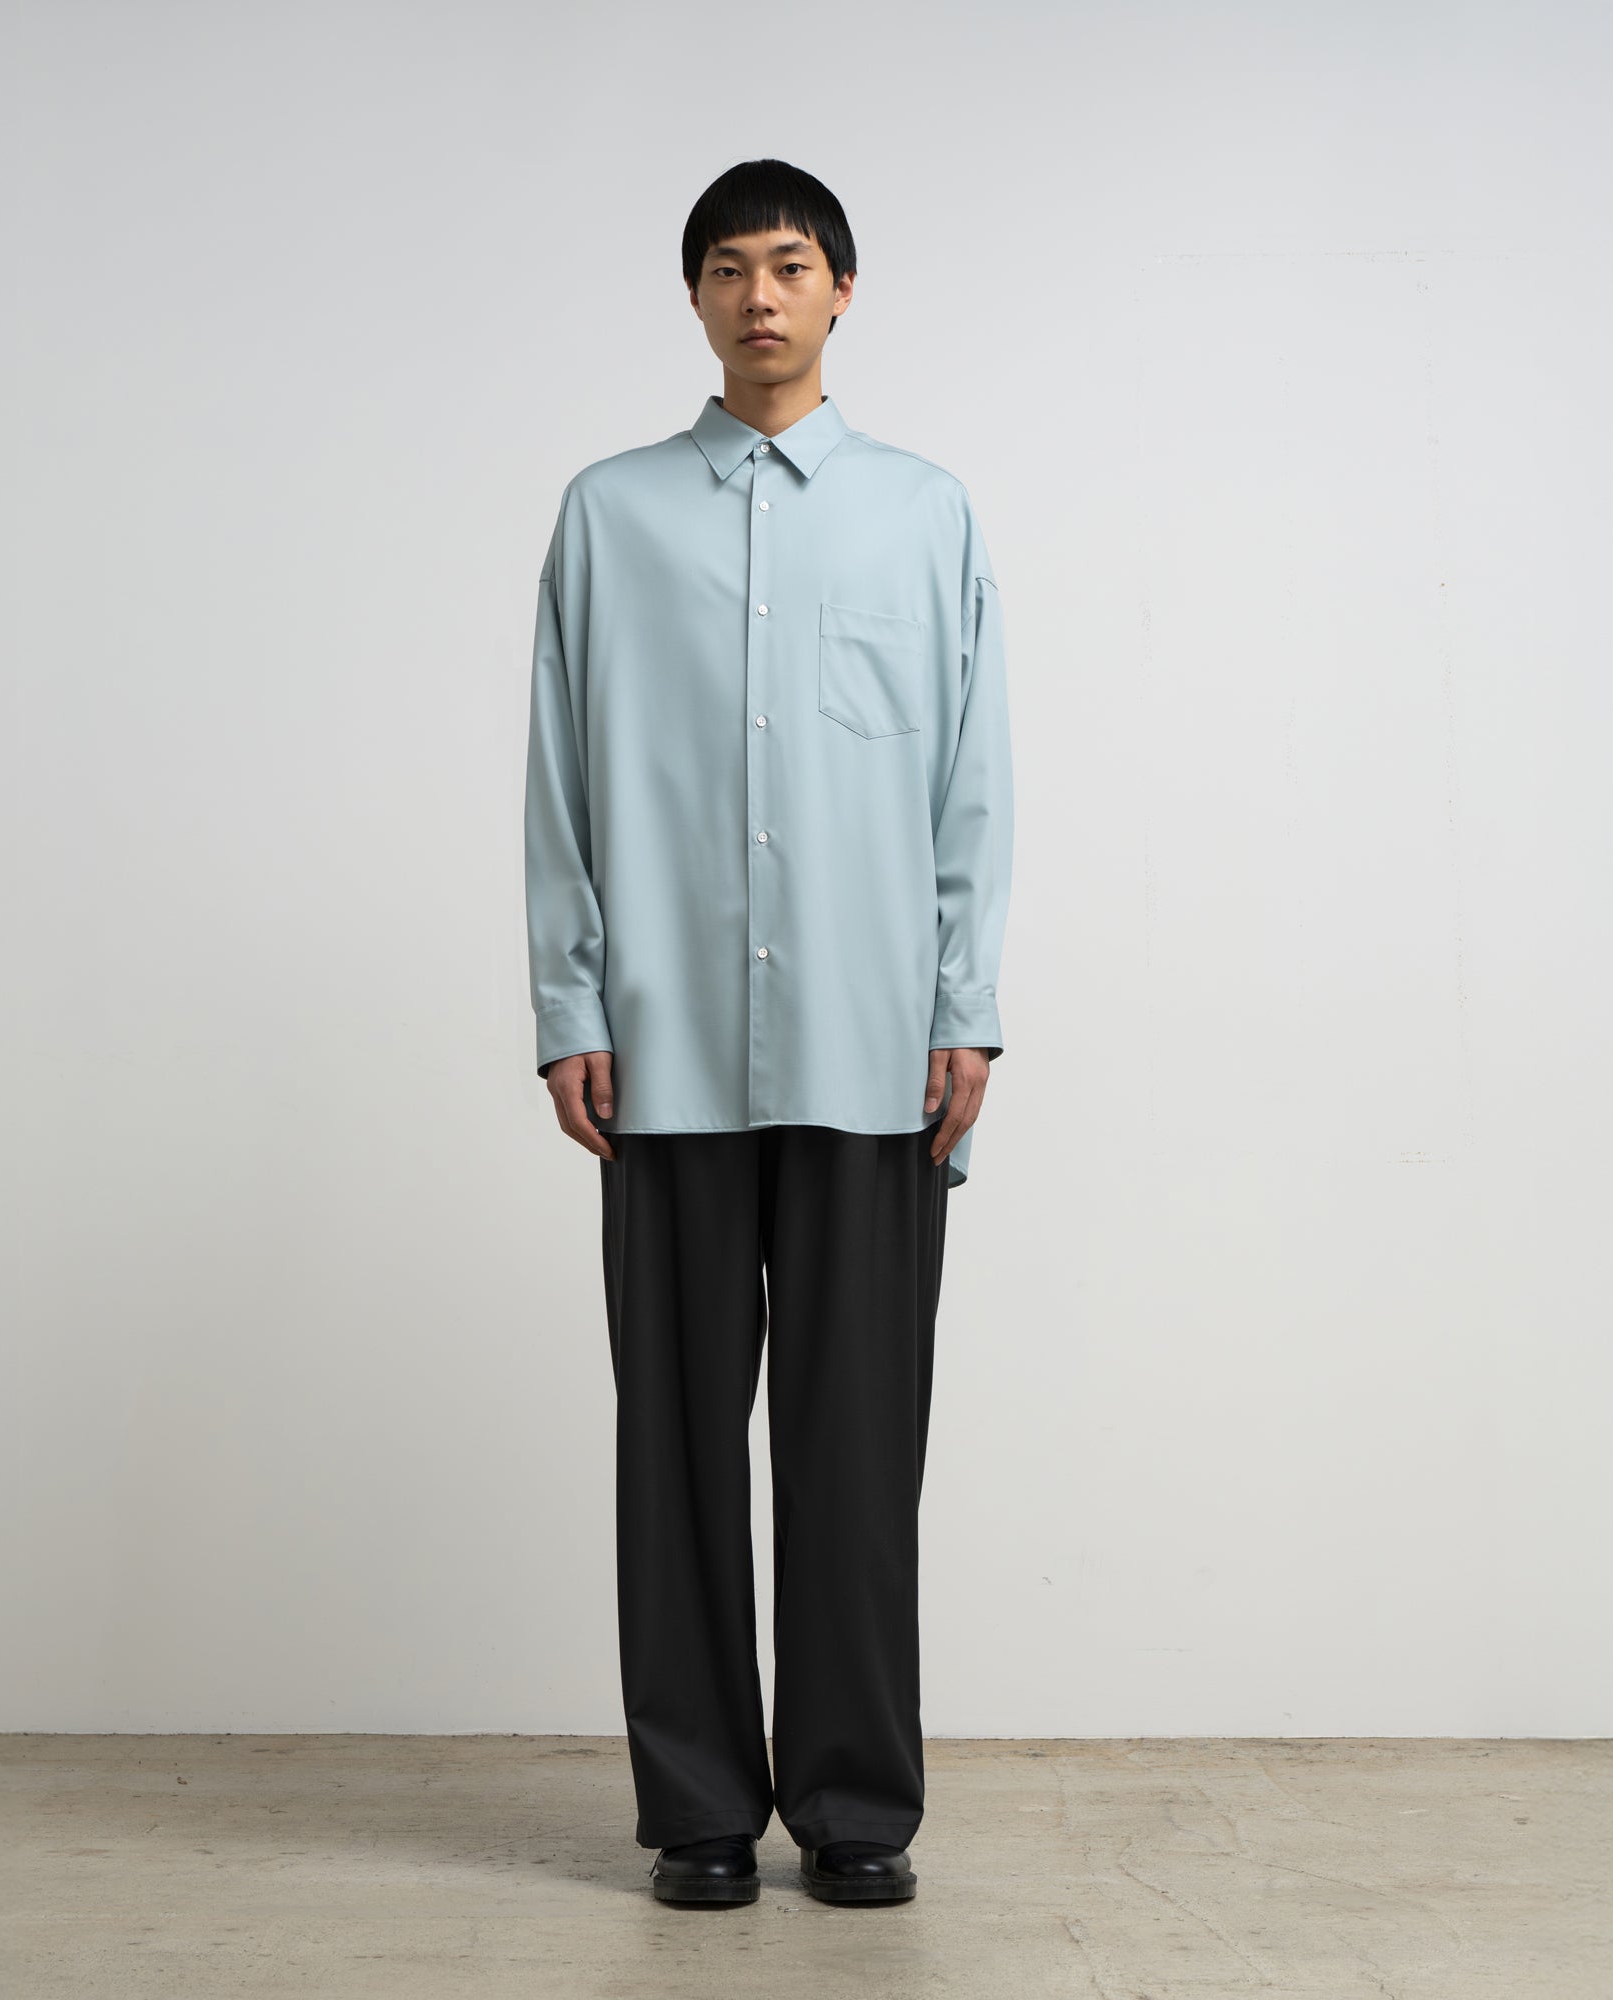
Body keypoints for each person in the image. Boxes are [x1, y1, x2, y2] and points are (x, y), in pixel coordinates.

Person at [522, 157, 1014, 1908]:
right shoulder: (609, 515)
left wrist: (966, 1008)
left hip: (876, 1050)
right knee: (673, 1450)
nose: (760, 296)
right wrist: (570, 1000)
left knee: (857, 1449)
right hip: (663, 1052)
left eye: (791, 266)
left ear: (842, 291)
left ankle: (858, 1810)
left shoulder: (924, 515)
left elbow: (973, 783)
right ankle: (700, 1812)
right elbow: (560, 776)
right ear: (696, 298)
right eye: (728, 268)